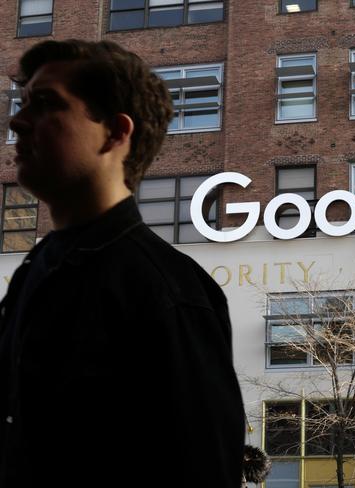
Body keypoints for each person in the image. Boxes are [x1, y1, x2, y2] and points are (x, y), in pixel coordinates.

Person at [0, 40, 245, 487]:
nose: (17, 121)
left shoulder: (169, 291)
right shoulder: (35, 270)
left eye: (45, 104)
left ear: (115, 133)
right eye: (22, 103)